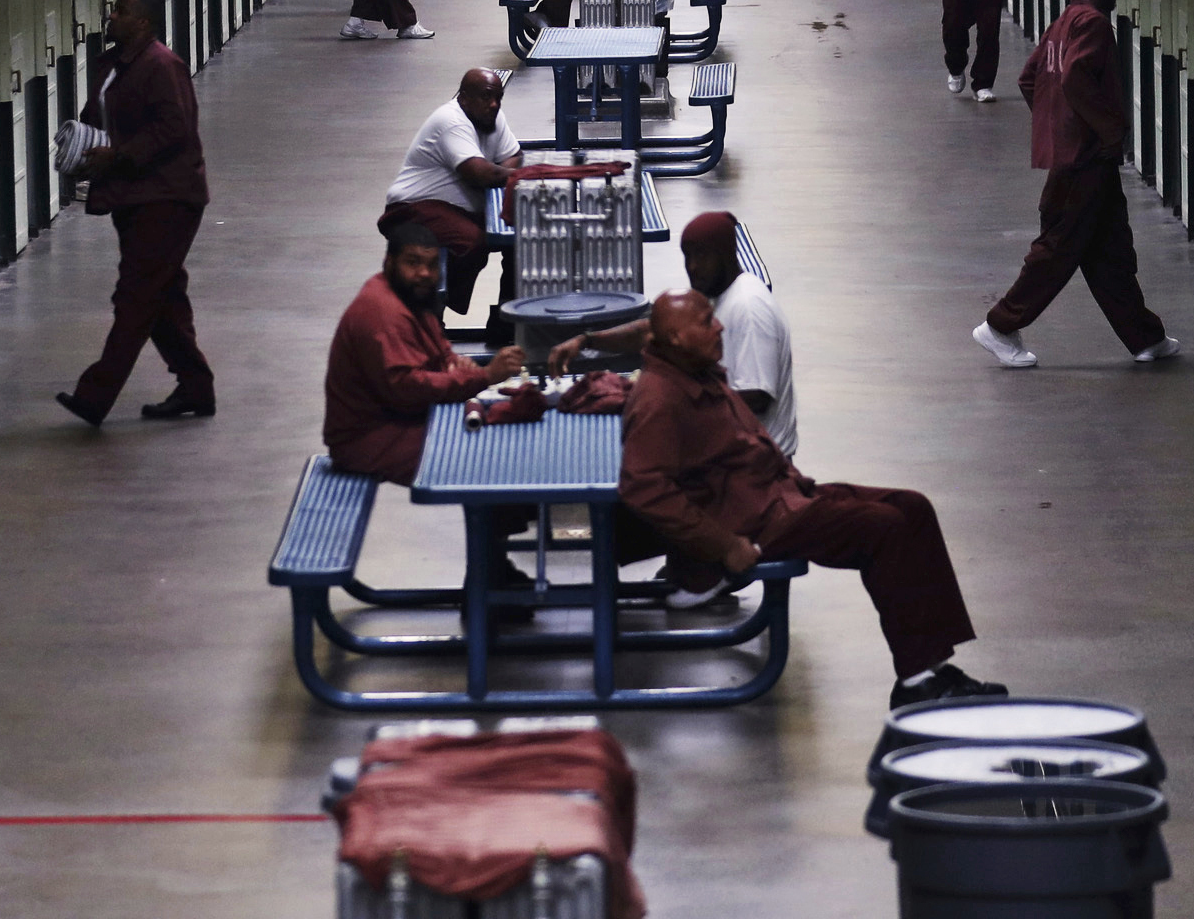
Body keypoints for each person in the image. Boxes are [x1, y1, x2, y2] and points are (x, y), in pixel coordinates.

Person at [619, 290, 1003, 712]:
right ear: (675, 337)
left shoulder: (690, 366)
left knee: (912, 507)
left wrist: (585, 341)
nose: (720, 326)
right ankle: (916, 681)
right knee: (884, 529)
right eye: (707, 321)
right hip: (754, 521)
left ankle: (933, 665)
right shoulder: (659, 397)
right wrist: (723, 546)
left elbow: (645, 330)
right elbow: (644, 489)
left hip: (780, 496)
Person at [972, 0, 1177, 370]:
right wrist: (1107, 133)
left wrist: (1057, 126)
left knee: (1110, 249)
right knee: (1057, 249)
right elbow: (1073, 78)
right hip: (1084, 160)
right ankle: (999, 326)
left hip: (1078, 156)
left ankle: (1144, 337)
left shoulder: (1063, 22)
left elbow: (1030, 78)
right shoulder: (1095, 24)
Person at [323, 222, 531, 584]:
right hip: (368, 438)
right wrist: (482, 376)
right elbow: (406, 387)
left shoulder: (410, 297)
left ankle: (491, 566)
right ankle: (486, 581)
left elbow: (436, 353)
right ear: (389, 262)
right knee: (486, 466)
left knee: (500, 449)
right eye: (413, 262)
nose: (424, 273)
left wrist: (454, 365)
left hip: (399, 420)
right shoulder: (382, 314)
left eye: (432, 264)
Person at [54, 0, 216, 426]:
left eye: (121, 11)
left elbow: (175, 128)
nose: (111, 15)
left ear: (143, 23)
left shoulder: (162, 66)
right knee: (163, 296)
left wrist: (119, 155)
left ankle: (95, 396)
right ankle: (196, 388)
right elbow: (98, 116)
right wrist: (80, 145)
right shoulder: (111, 65)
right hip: (133, 195)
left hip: (168, 197)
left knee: (136, 296)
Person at [552, 212, 797, 461]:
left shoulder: (748, 306)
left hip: (758, 467)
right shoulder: (716, 294)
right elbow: (652, 331)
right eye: (687, 257)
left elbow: (757, 398)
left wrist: (676, 407)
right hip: (732, 451)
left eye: (701, 255)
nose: (692, 267)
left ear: (724, 254)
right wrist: (587, 340)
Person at [377, 69, 522, 317]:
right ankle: (427, 314)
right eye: (486, 97)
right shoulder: (451, 121)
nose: (494, 104)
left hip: (459, 208)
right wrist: (512, 174)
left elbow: (514, 156)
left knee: (520, 236)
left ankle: (505, 318)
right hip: (414, 207)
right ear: (463, 98)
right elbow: (480, 175)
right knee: (471, 242)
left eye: (499, 97)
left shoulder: (492, 117)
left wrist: (500, 172)